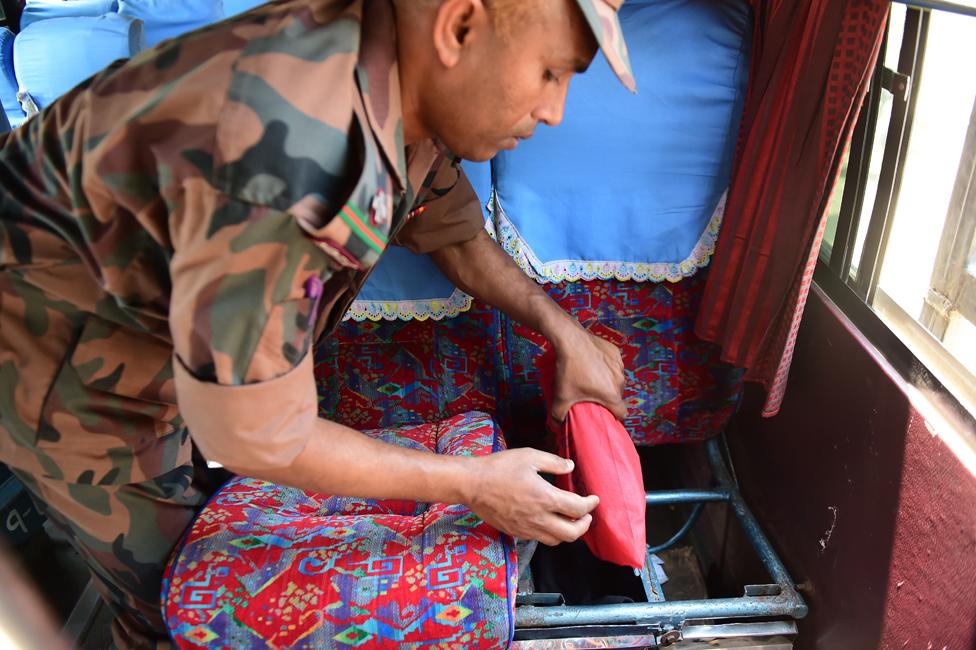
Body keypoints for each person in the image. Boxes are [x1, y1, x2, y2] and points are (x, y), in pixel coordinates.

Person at [0, 0, 635, 646]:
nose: (556, 111)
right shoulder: (289, 156)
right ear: (459, 27)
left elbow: (455, 235)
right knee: (184, 604)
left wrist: (566, 334)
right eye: (551, 73)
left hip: (176, 341)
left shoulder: (398, 69)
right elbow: (256, 434)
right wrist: (472, 485)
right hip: (70, 370)